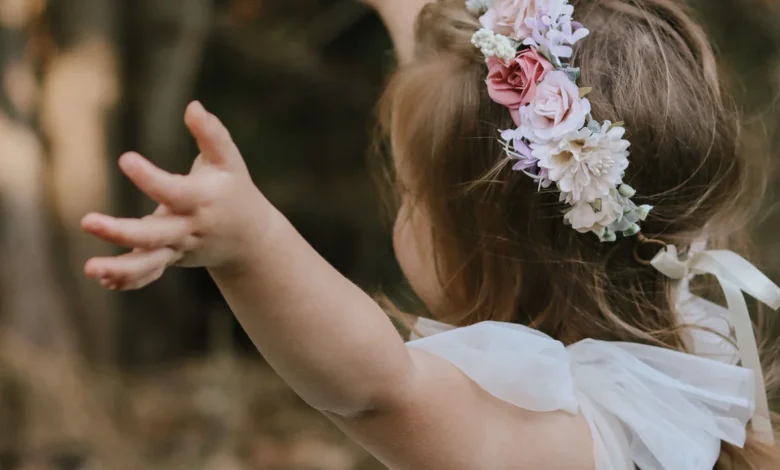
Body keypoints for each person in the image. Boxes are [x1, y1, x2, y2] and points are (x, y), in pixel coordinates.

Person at [81, 0, 780, 467]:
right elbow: (477, 95)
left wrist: (250, 243)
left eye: (414, 197)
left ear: (495, 243)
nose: (401, 210)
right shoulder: (671, 303)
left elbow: (377, 386)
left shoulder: (567, 444)